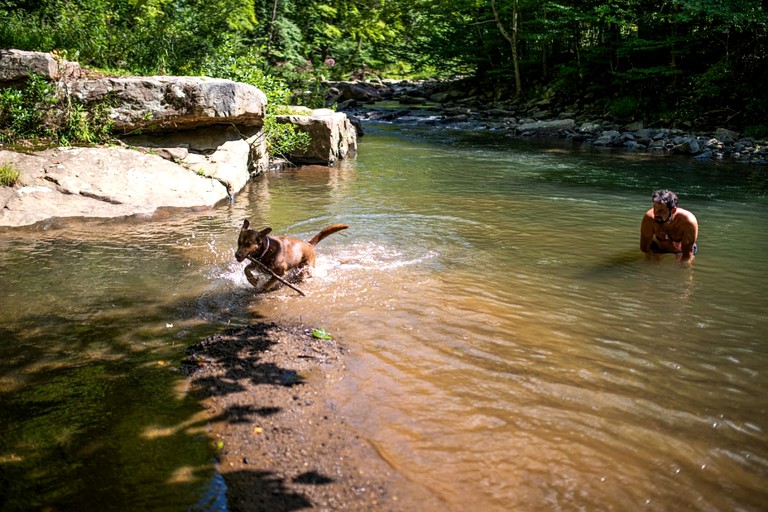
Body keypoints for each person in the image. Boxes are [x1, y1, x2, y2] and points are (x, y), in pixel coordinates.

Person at [640, 189, 699, 262]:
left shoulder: (688, 222)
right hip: (658, 247)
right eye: (654, 208)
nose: (656, 214)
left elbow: (687, 255)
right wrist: (651, 257)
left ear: (673, 210)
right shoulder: (649, 218)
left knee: (685, 266)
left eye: (661, 211)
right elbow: (644, 248)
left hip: (681, 250)